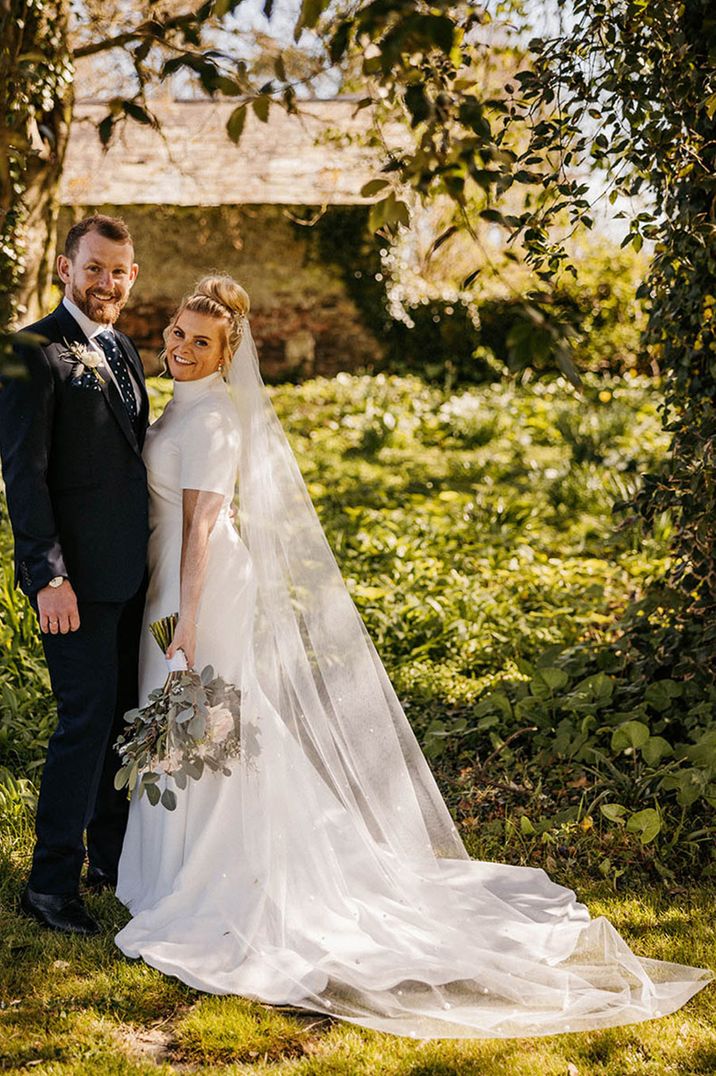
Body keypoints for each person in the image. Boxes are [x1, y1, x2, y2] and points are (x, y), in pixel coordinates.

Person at [115, 275, 711, 1039]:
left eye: (201, 342)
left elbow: (201, 529)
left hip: (196, 591)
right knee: (197, 725)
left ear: (229, 355)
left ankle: (202, 874)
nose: (181, 348)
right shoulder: (183, 405)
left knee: (203, 720)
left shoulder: (214, 426)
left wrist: (186, 625)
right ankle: (171, 864)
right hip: (179, 582)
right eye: (175, 333)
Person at [0, 215, 150, 936]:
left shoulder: (124, 349)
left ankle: (111, 860)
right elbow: (23, 478)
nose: (107, 283)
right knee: (82, 725)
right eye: (95, 268)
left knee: (122, 723)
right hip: (74, 585)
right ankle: (49, 885)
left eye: (119, 271)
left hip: (130, 578)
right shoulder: (28, 352)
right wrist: (46, 575)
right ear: (66, 268)